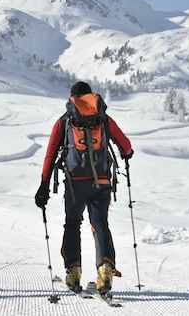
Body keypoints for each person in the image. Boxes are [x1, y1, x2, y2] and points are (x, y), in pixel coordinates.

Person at [34, 81, 133, 294]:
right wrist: (127, 153)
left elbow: (50, 154)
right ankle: (105, 269)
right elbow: (126, 146)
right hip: (102, 181)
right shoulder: (103, 119)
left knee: (72, 225)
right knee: (100, 224)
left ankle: (74, 272)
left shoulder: (65, 121)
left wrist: (43, 185)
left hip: (74, 183)